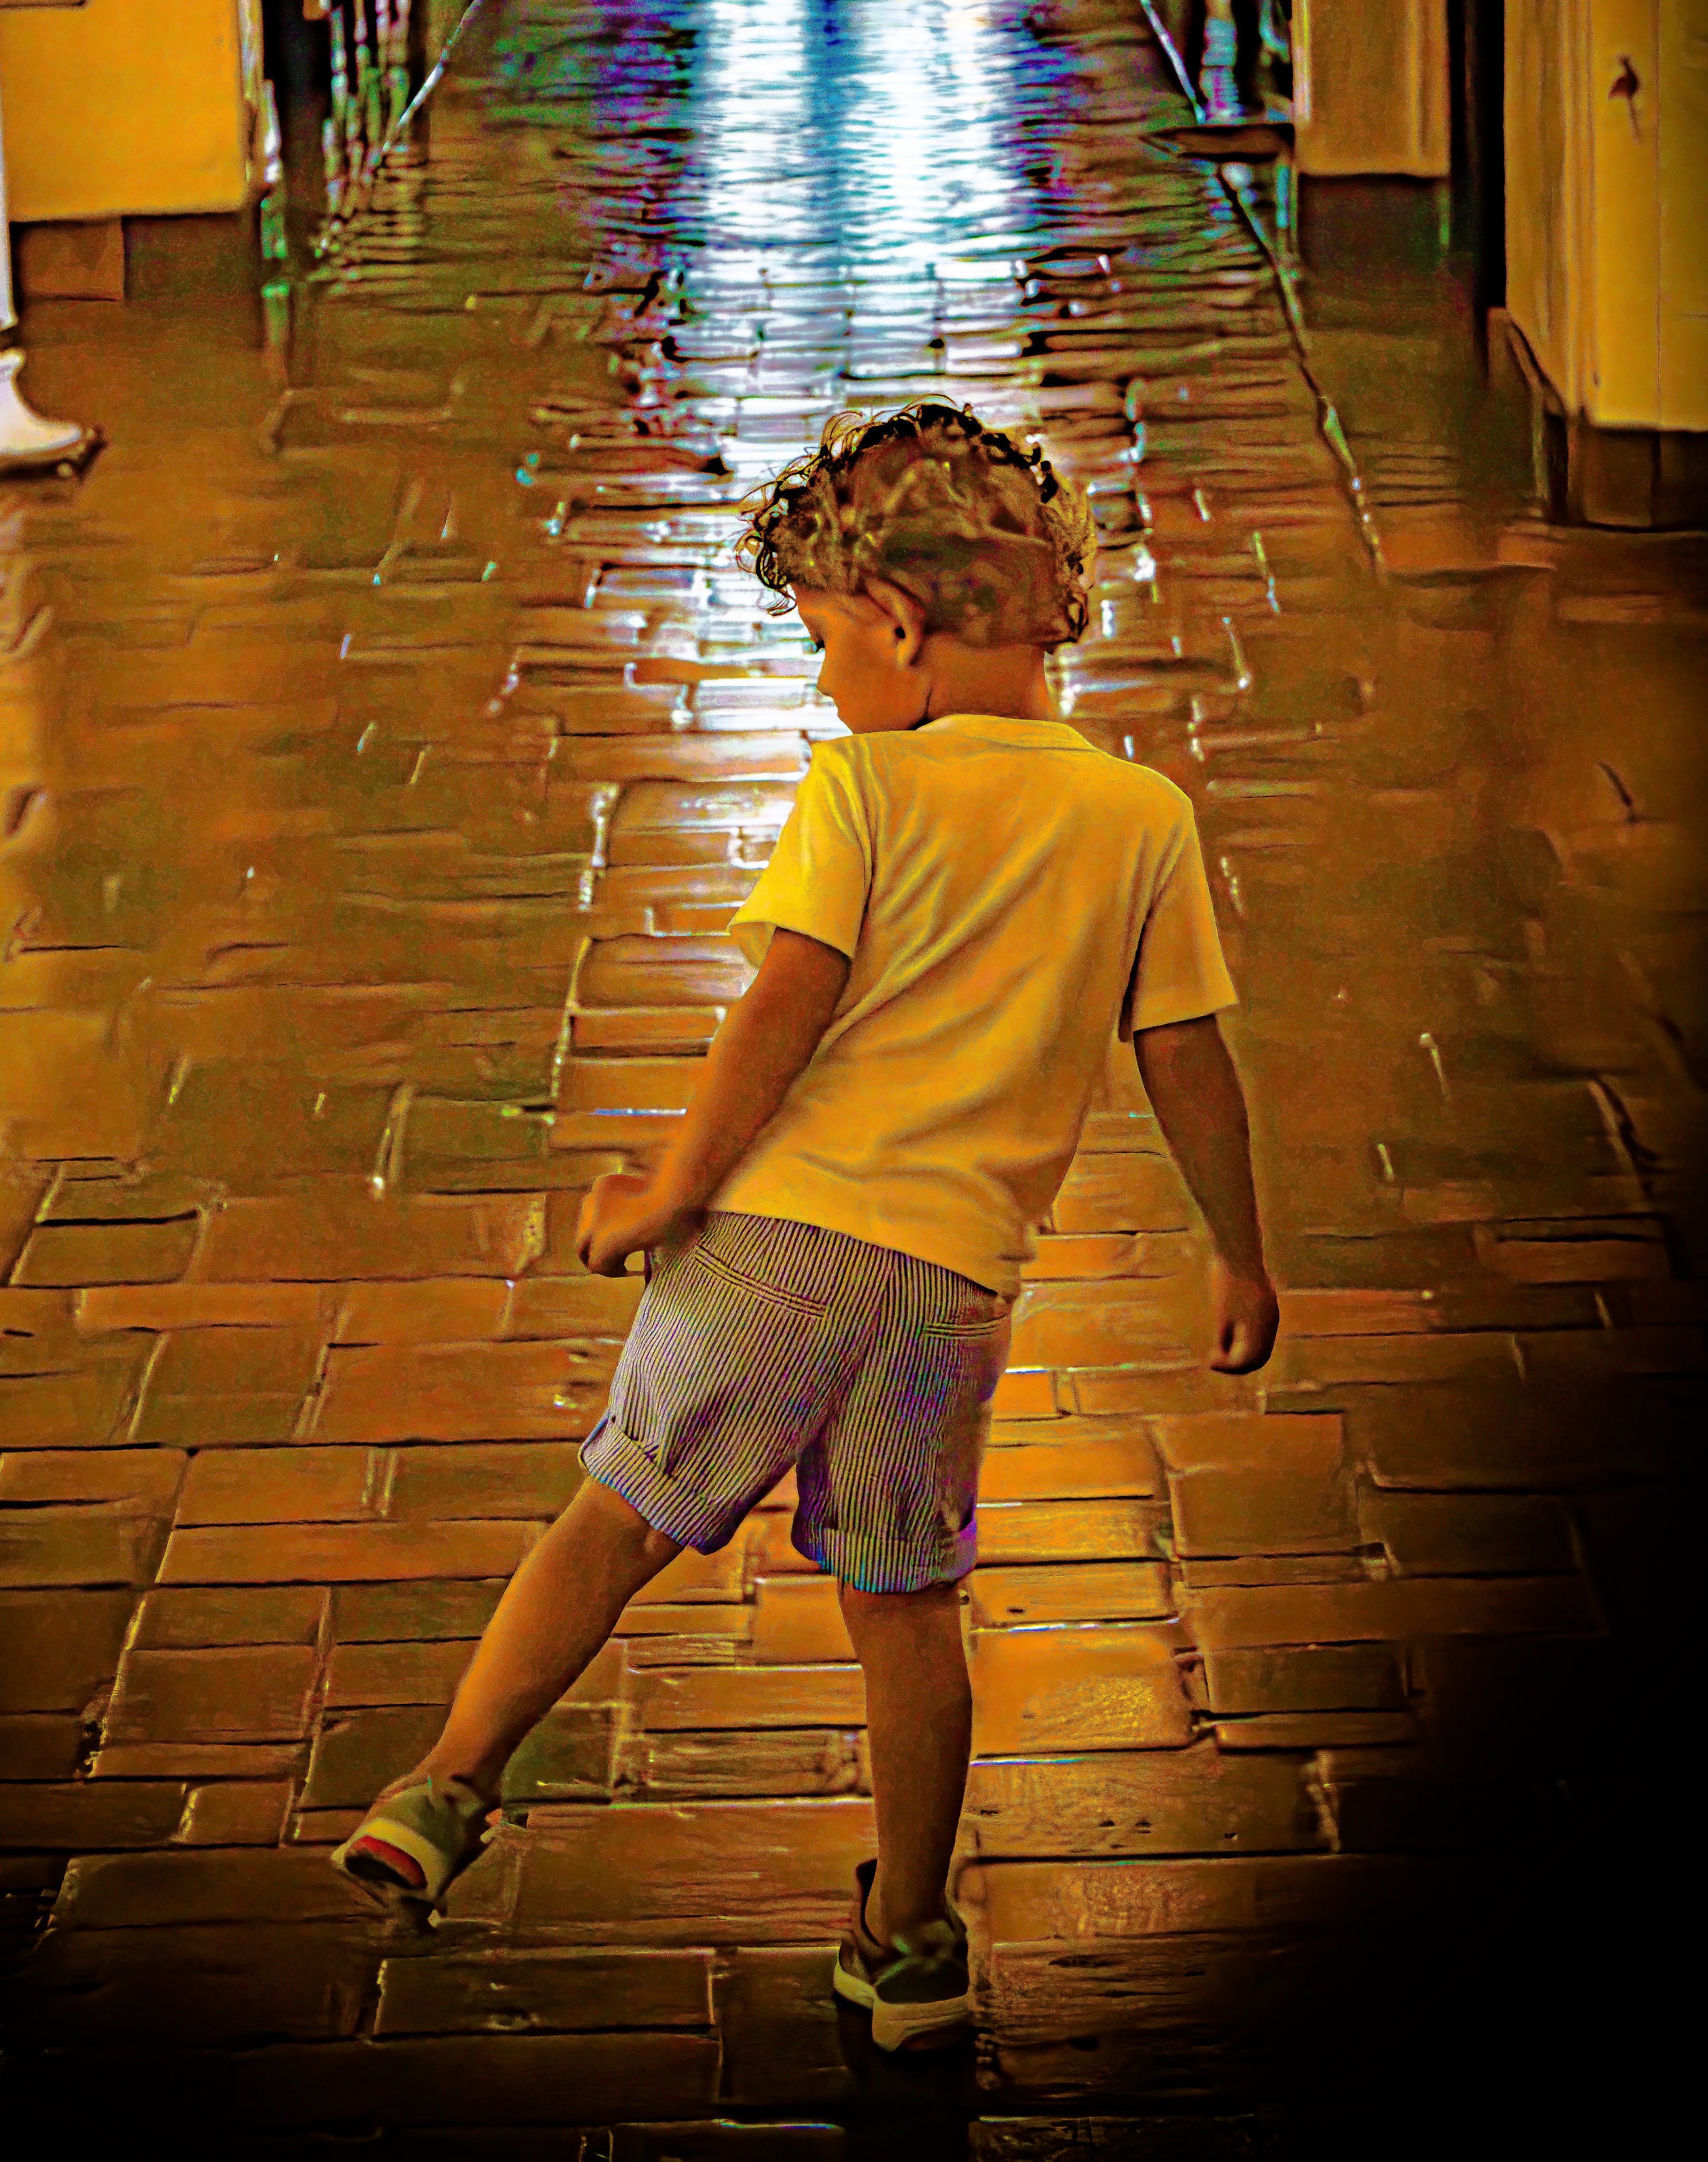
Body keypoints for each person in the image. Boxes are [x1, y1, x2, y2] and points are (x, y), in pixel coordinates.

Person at [334, 399, 1279, 2050]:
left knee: (616, 1520)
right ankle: (911, 1943)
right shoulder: (1141, 821)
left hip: (775, 1245)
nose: (829, 684)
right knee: (908, 1608)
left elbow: (780, 1009)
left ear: (903, 634)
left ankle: (446, 1783)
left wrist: (670, 1188)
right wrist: (1238, 1247)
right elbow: (1185, 1058)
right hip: (950, 1291)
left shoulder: (866, 792)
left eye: (830, 647)